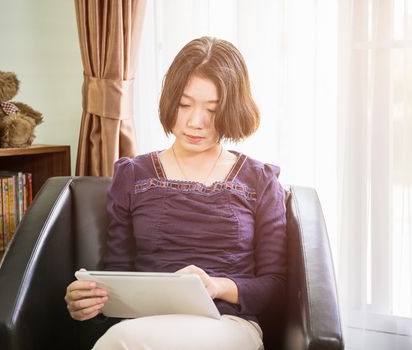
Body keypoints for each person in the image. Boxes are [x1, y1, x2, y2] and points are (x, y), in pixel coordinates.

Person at [64, 36, 287, 350]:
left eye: (212, 109)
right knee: (122, 338)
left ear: (233, 109)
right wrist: (89, 300)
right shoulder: (133, 175)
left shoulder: (259, 181)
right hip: (145, 324)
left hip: (227, 324)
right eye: (184, 105)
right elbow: (116, 272)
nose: (196, 122)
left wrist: (217, 287)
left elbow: (276, 286)